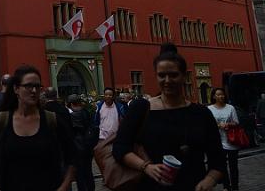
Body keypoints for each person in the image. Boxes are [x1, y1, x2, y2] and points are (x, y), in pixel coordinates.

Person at [113, 43, 225, 190]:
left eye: (173, 75)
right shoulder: (141, 108)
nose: (167, 80)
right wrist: (145, 166)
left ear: (184, 76)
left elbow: (218, 159)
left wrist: (210, 180)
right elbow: (120, 148)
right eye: (161, 75)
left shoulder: (201, 113)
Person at [0, 64, 76, 191]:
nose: (34, 91)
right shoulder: (2, 121)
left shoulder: (51, 120)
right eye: (28, 86)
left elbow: (72, 156)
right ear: (16, 89)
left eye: (37, 86)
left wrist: (64, 186)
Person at [208, 88, 240, 191]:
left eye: (222, 94)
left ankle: (235, 187)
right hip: (218, 142)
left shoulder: (230, 108)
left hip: (231, 141)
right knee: (222, 167)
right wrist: (217, 125)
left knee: (233, 167)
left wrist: (228, 124)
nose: (221, 96)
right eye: (218, 95)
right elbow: (207, 124)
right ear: (213, 97)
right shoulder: (210, 109)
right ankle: (226, 186)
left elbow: (236, 122)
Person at [67, 95, 95, 191]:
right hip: (88, 145)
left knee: (80, 173)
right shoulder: (86, 112)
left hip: (78, 147)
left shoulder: (72, 115)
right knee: (88, 171)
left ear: (70, 104)